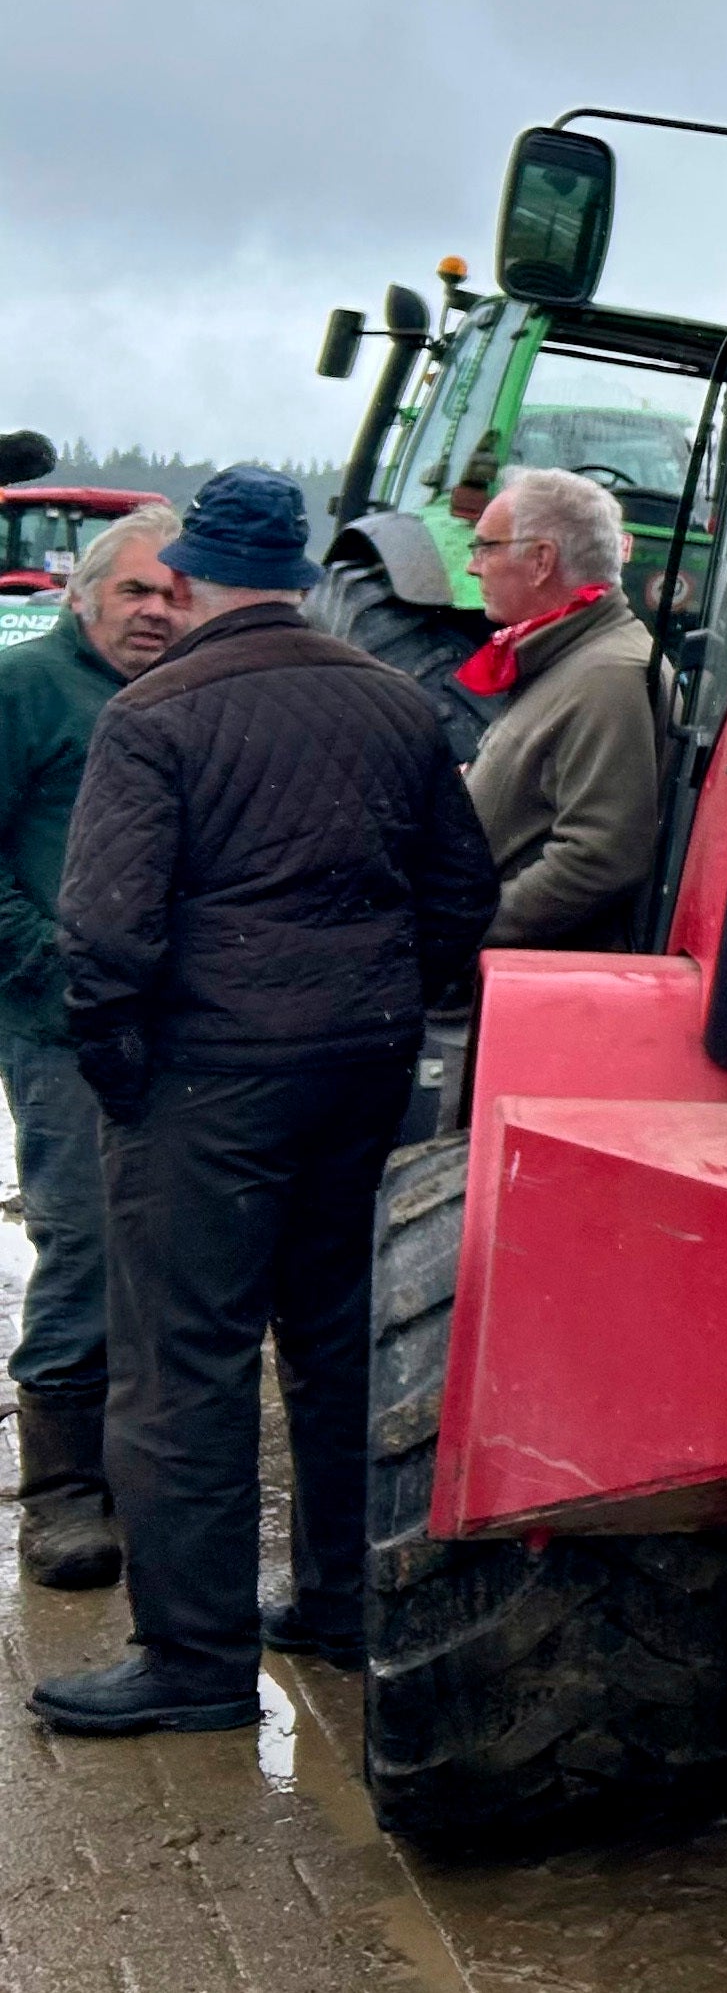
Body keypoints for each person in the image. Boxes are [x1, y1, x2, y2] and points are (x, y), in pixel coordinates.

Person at [26, 467, 496, 1736]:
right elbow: (464, 893)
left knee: (187, 1363)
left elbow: (106, 933)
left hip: (207, 1081)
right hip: (359, 1068)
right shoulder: (397, 705)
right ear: (295, 574)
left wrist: (123, 1071)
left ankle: (194, 1661)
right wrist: (390, 1007)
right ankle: (342, 1603)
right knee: (339, 1340)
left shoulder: (155, 713)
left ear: (187, 578)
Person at [0, 506, 185, 1588]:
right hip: (62, 1027)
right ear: (85, 595)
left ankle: (135, 1467)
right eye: (135, 593)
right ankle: (62, 1495)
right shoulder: (30, 692)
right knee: (83, 1237)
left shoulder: (182, 698)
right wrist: (50, 971)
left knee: (166, 1248)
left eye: (172, 595)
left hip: (176, 1028)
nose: (156, 613)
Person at [461, 467, 659, 947]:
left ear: (541, 560)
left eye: (486, 547)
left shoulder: (609, 678)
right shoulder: (570, 660)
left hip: (509, 980)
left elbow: (602, 858)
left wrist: (463, 933)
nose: (473, 566)